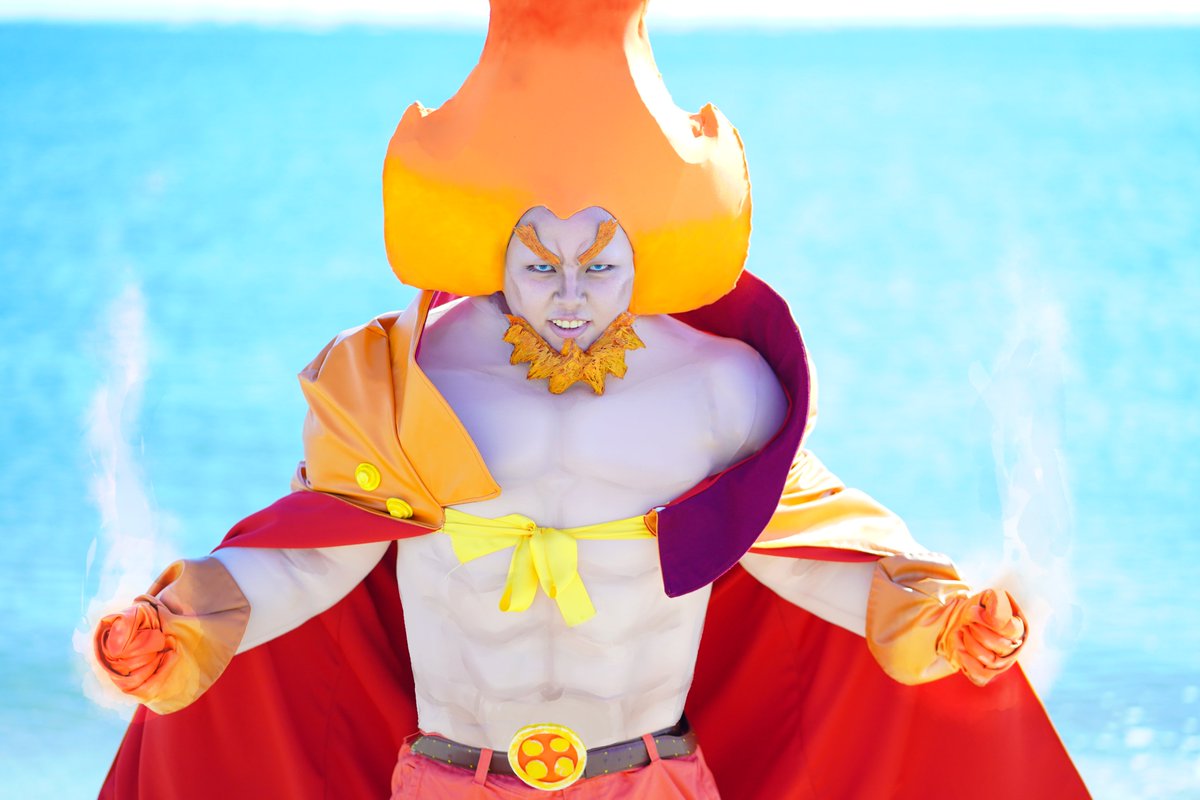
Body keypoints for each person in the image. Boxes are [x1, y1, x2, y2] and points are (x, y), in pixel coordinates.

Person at [90, 2, 1089, 798]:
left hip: (649, 774)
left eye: (601, 261)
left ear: (646, 247)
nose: (569, 294)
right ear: (493, 243)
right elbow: (310, 559)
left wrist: (946, 620)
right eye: (540, 261)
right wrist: (179, 625)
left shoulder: (721, 389)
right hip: (453, 777)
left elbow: (809, 556)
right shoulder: (407, 377)